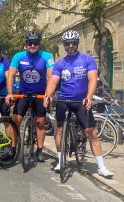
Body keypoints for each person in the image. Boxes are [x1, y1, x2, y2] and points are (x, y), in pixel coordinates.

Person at [43, 30, 114, 178]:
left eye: (73, 43)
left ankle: (101, 167)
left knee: (91, 132)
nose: (70, 46)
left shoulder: (87, 60)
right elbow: (53, 81)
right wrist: (47, 95)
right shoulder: (60, 63)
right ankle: (60, 160)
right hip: (63, 101)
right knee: (60, 131)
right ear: (64, 45)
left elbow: (92, 79)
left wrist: (89, 96)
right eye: (67, 44)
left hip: (81, 101)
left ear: (77, 44)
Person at [5, 31, 55, 162]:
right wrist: (10, 93)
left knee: (40, 122)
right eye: (30, 43)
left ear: (39, 44)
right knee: (15, 120)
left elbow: (51, 76)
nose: (32, 45)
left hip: (40, 94)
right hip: (23, 93)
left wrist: (48, 94)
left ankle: (39, 150)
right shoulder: (18, 56)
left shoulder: (47, 56)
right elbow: (10, 75)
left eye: (35, 43)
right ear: (26, 44)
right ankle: (13, 147)